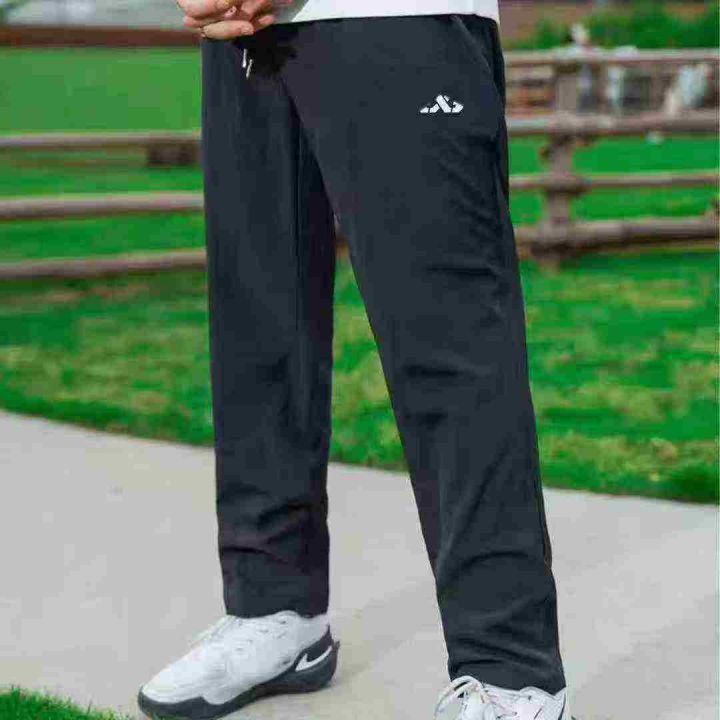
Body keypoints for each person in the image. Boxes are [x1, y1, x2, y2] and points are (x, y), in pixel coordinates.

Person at [138, 1, 570, 718]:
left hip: (400, 17)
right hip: (245, 38)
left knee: (450, 349)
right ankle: (274, 608)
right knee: (259, 336)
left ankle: (510, 672)